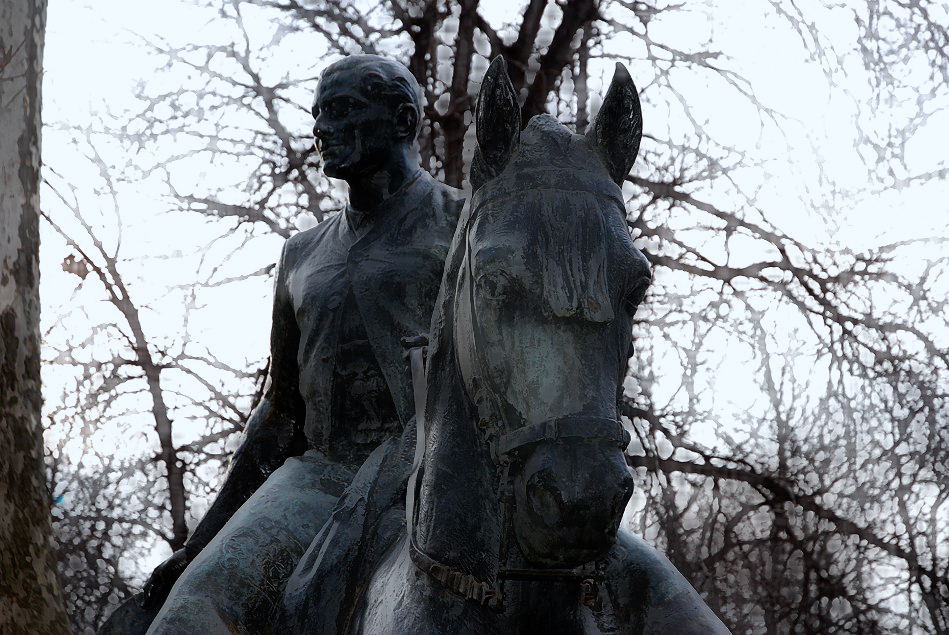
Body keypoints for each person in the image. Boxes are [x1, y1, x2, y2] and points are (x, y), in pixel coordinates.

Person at [120, 54, 463, 633]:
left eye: (342, 110)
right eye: (318, 114)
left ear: (403, 121)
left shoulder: (466, 223)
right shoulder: (302, 255)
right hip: (322, 477)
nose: (321, 128)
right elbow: (280, 414)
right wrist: (199, 546)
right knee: (193, 610)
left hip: (444, 473)